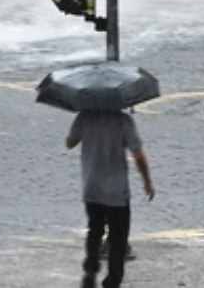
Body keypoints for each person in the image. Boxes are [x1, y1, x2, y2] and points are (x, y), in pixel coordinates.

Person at [65, 109, 155, 288]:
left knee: (95, 229)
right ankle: (113, 280)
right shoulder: (124, 121)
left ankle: (91, 270)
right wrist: (147, 182)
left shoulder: (85, 116)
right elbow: (137, 154)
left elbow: (70, 143)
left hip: (92, 186)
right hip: (117, 190)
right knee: (118, 237)